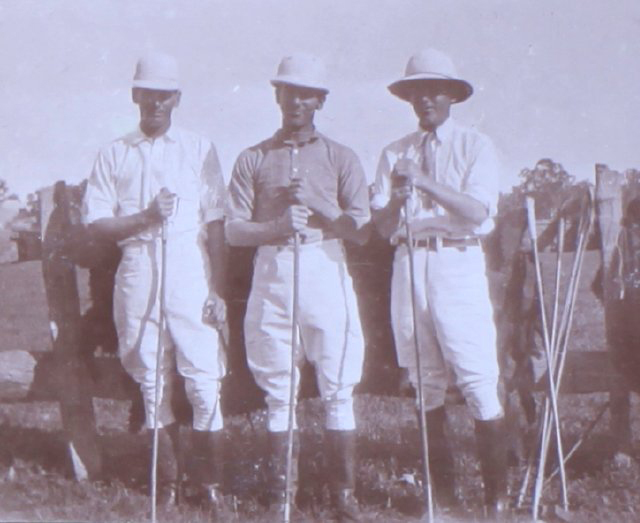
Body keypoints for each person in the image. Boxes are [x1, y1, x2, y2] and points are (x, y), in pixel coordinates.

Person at [225, 53, 370, 521]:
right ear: (277, 96)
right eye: (288, 92)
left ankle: (342, 499)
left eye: (306, 94)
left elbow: (362, 231)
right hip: (273, 268)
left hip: (325, 264)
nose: (296, 102)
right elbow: (232, 230)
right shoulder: (253, 158)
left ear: (320, 101)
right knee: (278, 387)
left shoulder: (340, 157)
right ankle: (280, 497)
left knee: (337, 382)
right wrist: (275, 226)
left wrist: (319, 207)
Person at [82, 52, 228, 508]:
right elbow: (97, 224)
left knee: (204, 375)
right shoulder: (114, 153)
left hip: (188, 263)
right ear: (135, 96)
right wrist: (144, 217)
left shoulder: (199, 148)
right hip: (138, 263)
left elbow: (218, 224)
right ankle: (166, 482)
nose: (156, 103)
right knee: (151, 376)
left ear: (177, 98)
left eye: (165, 95)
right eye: (148, 94)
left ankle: (209, 485)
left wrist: (219, 289)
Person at [371, 48, 509, 517]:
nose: (425, 98)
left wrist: (425, 183)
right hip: (409, 263)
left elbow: (476, 211)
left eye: (434, 90)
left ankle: (496, 503)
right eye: (416, 91)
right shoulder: (394, 153)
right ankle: (442, 502)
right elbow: (380, 225)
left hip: (457, 262)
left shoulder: (475, 146)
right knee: (424, 379)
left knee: (476, 378)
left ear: (452, 95)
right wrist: (397, 197)